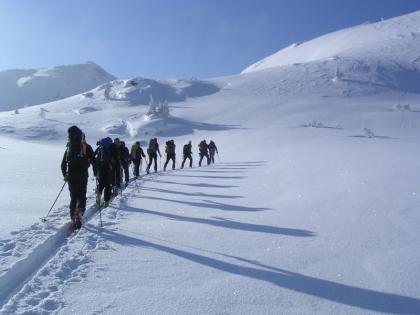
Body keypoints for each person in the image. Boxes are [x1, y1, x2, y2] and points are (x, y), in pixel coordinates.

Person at [61, 125, 93, 229]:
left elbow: (63, 164)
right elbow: (94, 161)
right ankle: (80, 211)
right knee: (82, 195)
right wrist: (97, 172)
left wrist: (65, 174)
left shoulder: (69, 146)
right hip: (83, 175)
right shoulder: (86, 147)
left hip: (71, 175)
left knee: (73, 197)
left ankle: (72, 216)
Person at [93, 137, 113, 208]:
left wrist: (95, 171)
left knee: (101, 184)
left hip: (100, 170)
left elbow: (93, 158)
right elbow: (112, 160)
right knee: (107, 186)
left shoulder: (99, 149)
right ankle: (106, 202)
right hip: (108, 170)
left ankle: (98, 196)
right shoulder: (109, 149)